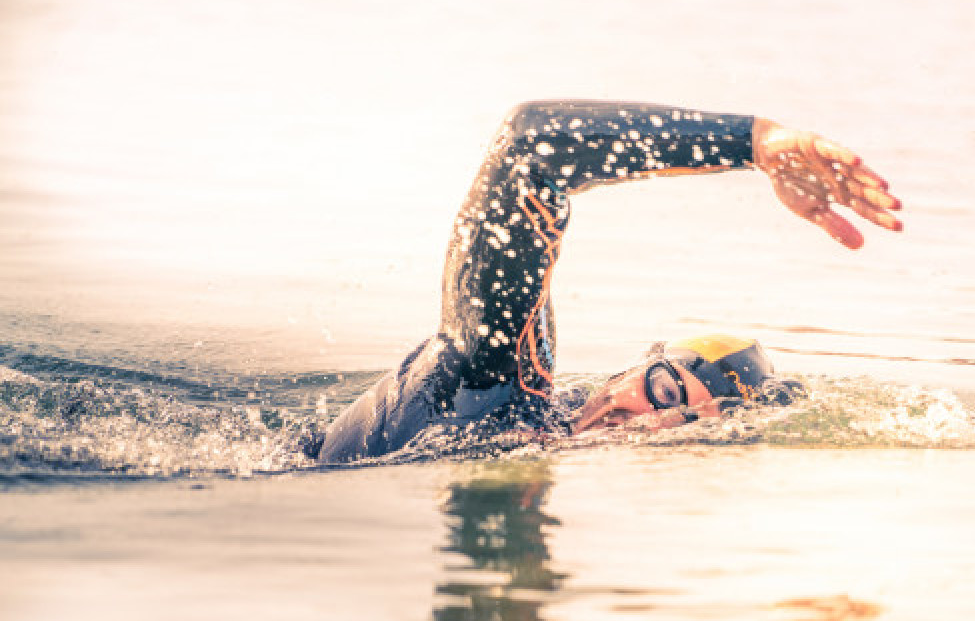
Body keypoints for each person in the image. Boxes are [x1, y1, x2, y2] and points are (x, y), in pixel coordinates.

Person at [315, 100, 902, 464]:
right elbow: (528, 149)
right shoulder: (493, 382)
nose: (652, 421)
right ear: (630, 369)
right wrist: (752, 143)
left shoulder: (547, 449)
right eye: (665, 392)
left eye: (689, 426)